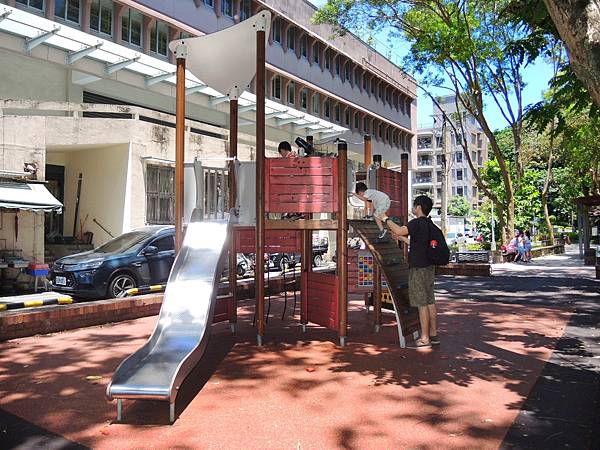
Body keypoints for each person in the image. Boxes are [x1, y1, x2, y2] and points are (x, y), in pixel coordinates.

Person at [385, 195, 439, 348]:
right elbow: (420, 245)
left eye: (414, 207)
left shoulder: (416, 223)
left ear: (419, 207)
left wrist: (384, 218)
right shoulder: (430, 225)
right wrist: (403, 240)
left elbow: (399, 230)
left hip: (418, 269)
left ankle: (424, 338)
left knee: (421, 303)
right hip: (429, 268)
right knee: (430, 301)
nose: (413, 209)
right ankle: (434, 334)